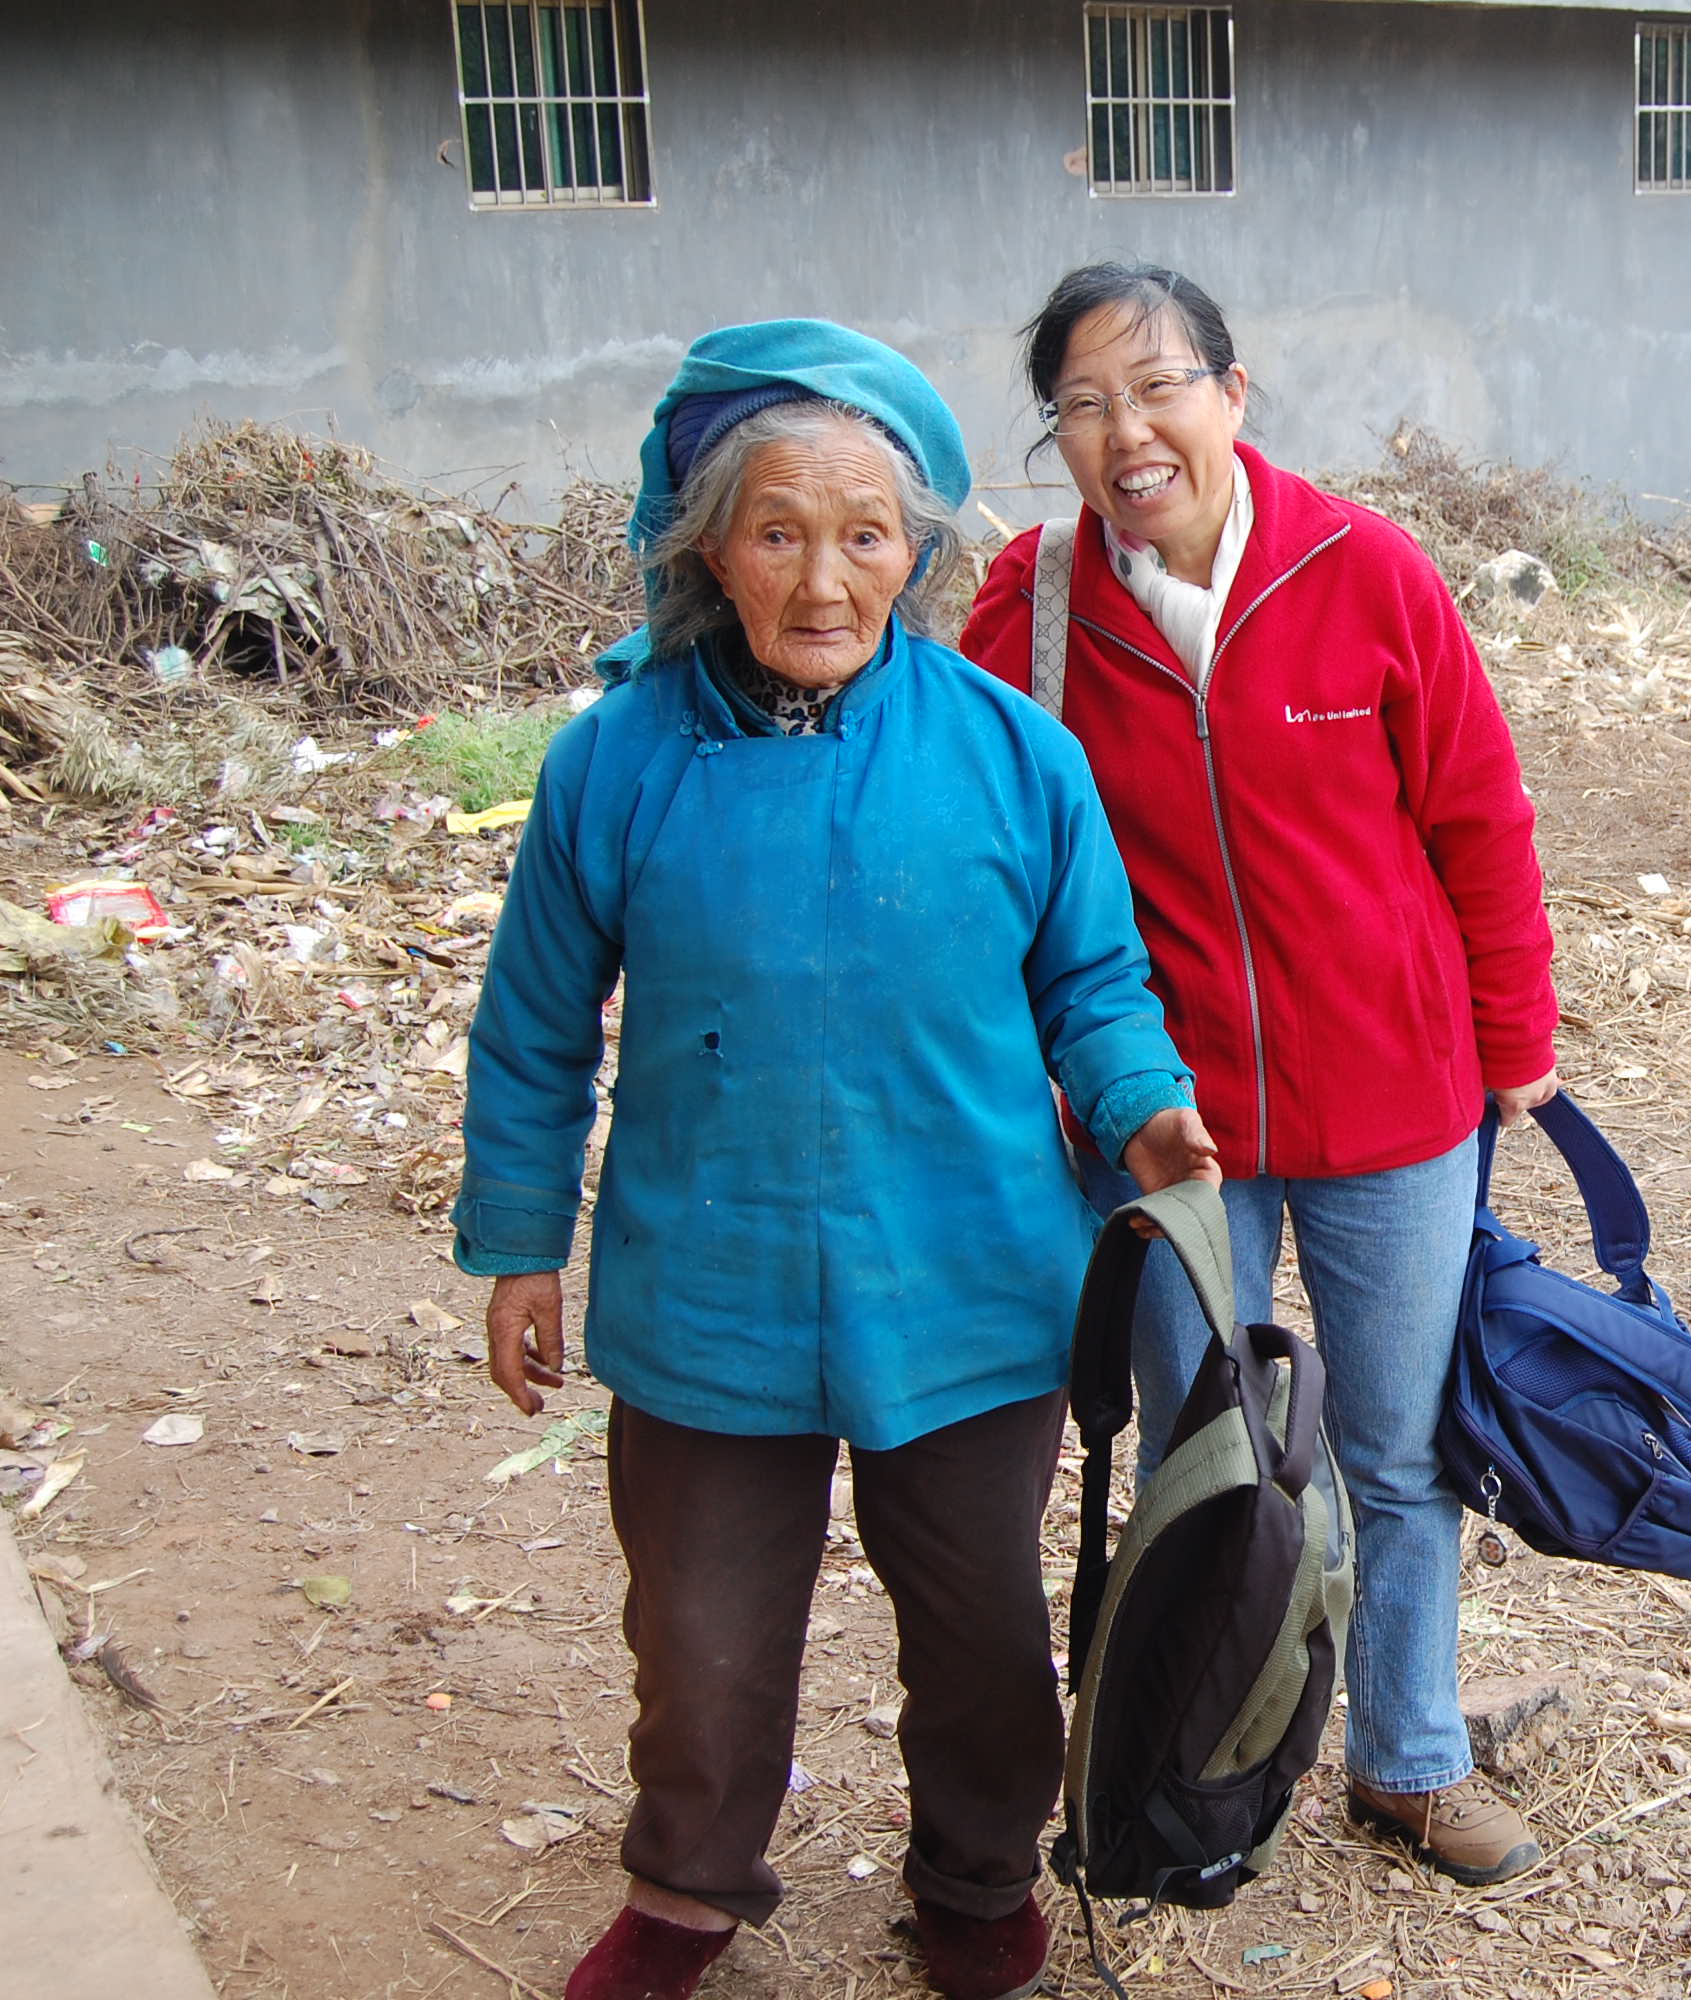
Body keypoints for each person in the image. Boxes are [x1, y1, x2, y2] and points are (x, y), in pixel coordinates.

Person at [458, 319, 1218, 2000]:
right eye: (778, 532)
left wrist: (1143, 1103)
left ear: (916, 552)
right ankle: (686, 1891)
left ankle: (976, 1874)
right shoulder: (616, 761)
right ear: (706, 549)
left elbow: (1093, 984)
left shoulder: (1013, 753)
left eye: (866, 534)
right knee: (701, 1638)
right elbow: (535, 1025)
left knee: (982, 1633)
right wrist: (517, 1242)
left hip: (969, 1276)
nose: (822, 581)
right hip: (708, 1282)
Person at [957, 264, 1562, 1886]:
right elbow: (990, 857)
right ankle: (1193, 1768)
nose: (1127, 432)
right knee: (1199, 1456)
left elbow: (1478, 814)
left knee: (1402, 1449)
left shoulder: (1362, 570)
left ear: (1233, 393)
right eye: (1084, 406)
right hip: (1164, 1122)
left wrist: (1515, 1037)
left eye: (1159, 387)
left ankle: (1409, 1760)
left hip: (1396, 1101)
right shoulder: (1035, 608)